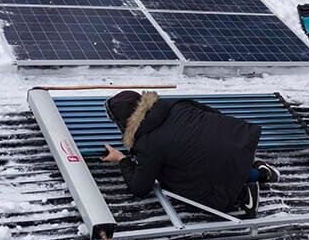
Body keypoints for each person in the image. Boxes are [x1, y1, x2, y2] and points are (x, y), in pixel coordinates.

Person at [102, 90, 279, 218]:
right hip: (240, 140)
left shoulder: (147, 143)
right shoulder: (175, 103)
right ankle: (258, 170)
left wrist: (122, 159)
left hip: (221, 164)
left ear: (124, 122)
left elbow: (139, 188)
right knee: (194, 154)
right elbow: (214, 114)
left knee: (168, 178)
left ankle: (244, 189)